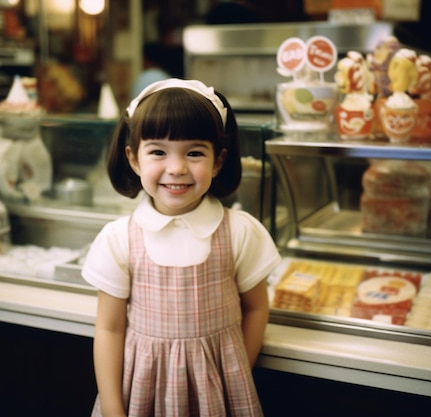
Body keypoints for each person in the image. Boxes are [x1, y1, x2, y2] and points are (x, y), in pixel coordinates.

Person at [82, 78, 282, 417]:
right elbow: (109, 327)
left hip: (220, 395)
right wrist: (114, 410)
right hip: (142, 392)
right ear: (133, 159)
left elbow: (256, 309)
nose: (176, 168)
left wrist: (236, 373)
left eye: (194, 153)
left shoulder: (239, 231)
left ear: (218, 161)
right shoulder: (119, 238)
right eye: (158, 151)